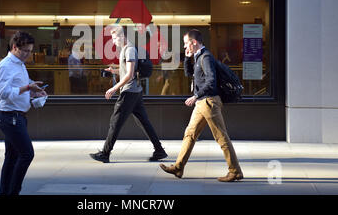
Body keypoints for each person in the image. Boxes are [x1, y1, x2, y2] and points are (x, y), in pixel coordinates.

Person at [160, 29, 243, 182]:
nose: (185, 46)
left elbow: (211, 82)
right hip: (202, 103)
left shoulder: (206, 58)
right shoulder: (198, 57)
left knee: (221, 136)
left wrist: (195, 96)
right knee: (190, 134)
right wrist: (187, 58)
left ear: (194, 42)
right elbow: (188, 73)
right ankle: (178, 167)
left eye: (186, 44)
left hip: (209, 102)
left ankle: (235, 171)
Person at [89, 25, 167, 163]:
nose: (113, 42)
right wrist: (114, 71)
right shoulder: (126, 49)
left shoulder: (129, 50)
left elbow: (130, 75)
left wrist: (114, 88)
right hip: (135, 91)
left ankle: (105, 153)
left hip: (129, 92)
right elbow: (127, 71)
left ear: (122, 36)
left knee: (115, 122)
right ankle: (159, 151)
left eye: (114, 38)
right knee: (144, 122)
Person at [0, 31, 47, 195]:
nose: (28, 55)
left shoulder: (20, 64)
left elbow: (20, 87)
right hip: (10, 117)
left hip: (18, 116)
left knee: (11, 157)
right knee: (26, 154)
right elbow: (4, 93)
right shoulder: (4, 66)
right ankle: (13, 191)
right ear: (15, 47)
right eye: (25, 51)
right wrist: (27, 88)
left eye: (30, 51)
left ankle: (6, 193)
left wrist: (34, 91)